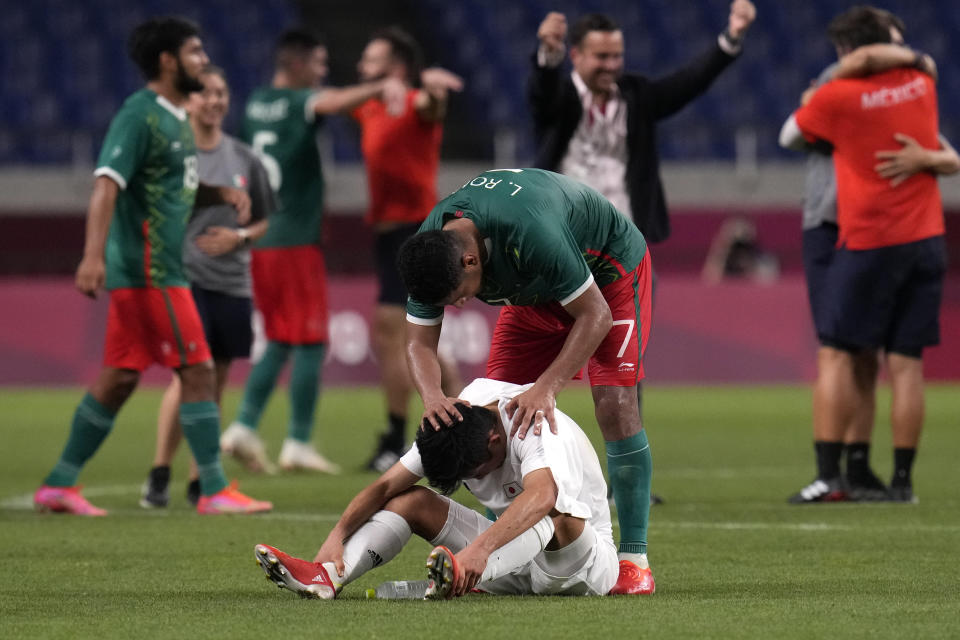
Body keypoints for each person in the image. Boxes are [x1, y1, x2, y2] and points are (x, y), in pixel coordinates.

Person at [33, 17, 271, 516]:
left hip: (155, 271)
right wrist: (92, 255)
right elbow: (106, 184)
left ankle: (58, 484)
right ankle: (212, 489)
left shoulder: (174, 116)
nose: (203, 59)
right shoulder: (139, 116)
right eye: (194, 52)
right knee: (199, 368)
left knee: (119, 377)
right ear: (168, 61)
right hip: (151, 271)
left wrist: (218, 192)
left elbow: (172, 185)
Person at [398, 168, 655, 595]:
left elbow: (595, 316)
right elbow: (419, 344)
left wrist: (547, 386)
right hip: (534, 289)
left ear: (471, 260)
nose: (459, 305)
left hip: (606, 276)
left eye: (459, 294)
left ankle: (634, 560)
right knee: (489, 424)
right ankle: (511, 544)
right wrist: (431, 397)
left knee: (614, 404)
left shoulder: (530, 228)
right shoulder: (432, 248)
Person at [780, 9, 959, 504]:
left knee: (836, 353)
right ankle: (902, 484)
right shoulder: (919, 81)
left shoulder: (836, 97)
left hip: (870, 241)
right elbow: (950, 153)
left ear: (849, 53)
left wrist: (828, 84)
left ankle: (828, 475)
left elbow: (790, 133)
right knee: (906, 365)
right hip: (926, 239)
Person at [220, 30, 406, 473]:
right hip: (294, 239)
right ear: (299, 64)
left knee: (282, 340)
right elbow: (330, 103)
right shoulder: (299, 100)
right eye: (319, 64)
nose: (324, 74)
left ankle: (245, 426)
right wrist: (383, 86)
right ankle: (298, 441)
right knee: (309, 342)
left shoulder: (254, 104)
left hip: (262, 238)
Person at [253, 378, 618, 599]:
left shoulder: (534, 424)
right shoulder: (455, 419)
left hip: (582, 567)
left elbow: (542, 497)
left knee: (552, 513)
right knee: (411, 500)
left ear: (494, 440)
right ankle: (329, 577)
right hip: (507, 561)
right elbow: (382, 487)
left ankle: (465, 572)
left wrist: (479, 551)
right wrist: (337, 535)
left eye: (472, 474)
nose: (472, 481)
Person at [140, 65, 276, 508]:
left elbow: (262, 220)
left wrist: (237, 237)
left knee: (215, 381)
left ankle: (202, 481)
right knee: (188, 376)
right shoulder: (176, 156)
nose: (214, 101)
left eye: (221, 93)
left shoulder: (243, 157)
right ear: (189, 102)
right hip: (186, 278)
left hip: (233, 283)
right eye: (205, 94)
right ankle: (159, 472)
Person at [527, 0, 755, 243]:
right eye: (602, 56)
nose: (611, 65)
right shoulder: (561, 98)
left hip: (624, 236)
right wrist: (549, 56)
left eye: (617, 56)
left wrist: (731, 39)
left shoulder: (636, 95)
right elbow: (543, 92)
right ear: (576, 55)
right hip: (567, 232)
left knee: (643, 282)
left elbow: (688, 82)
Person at [352, 26, 465, 472]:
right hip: (386, 232)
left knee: (397, 331)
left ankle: (398, 434)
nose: (363, 66)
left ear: (396, 66)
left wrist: (436, 92)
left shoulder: (416, 102)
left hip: (414, 231)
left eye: (372, 59)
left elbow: (431, 106)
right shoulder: (370, 105)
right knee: (410, 337)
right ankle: (463, 418)